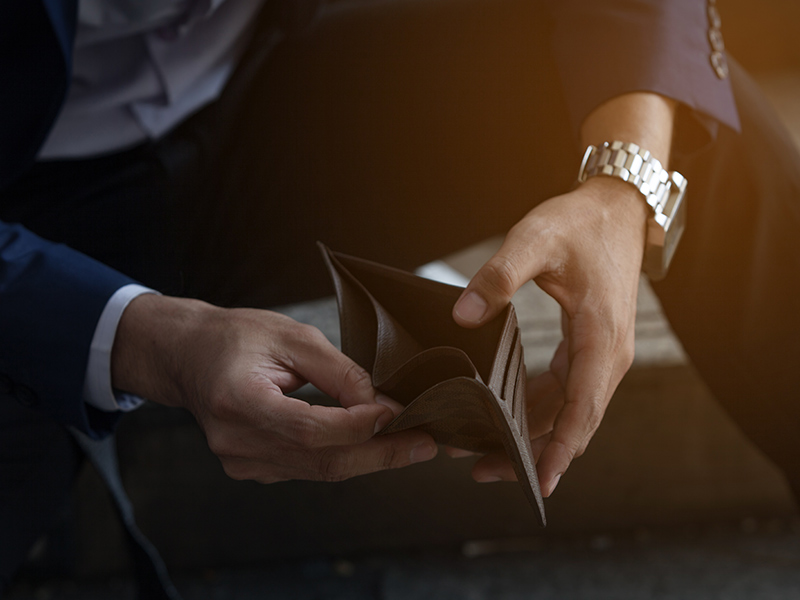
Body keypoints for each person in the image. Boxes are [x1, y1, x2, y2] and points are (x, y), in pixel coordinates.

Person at [2, 0, 799, 590]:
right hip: (27, 200)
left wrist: (622, 190)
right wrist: (144, 338)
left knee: (676, 116)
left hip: (258, 99)